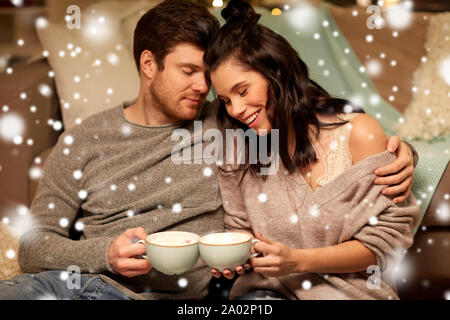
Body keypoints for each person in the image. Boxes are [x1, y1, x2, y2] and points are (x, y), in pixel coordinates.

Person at [0, 0, 415, 300]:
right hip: (75, 285)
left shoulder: (231, 121)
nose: (203, 88)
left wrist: (401, 151)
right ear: (149, 64)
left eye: (209, 76)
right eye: (188, 71)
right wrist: (105, 254)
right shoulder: (81, 140)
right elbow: (33, 245)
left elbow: (314, 122)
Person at [204, 0, 420, 300]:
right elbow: (242, 228)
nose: (237, 109)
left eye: (243, 91)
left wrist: (298, 261)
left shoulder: (358, 133)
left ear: (277, 73)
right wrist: (231, 253)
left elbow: (387, 243)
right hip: (264, 295)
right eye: (226, 100)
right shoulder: (241, 146)